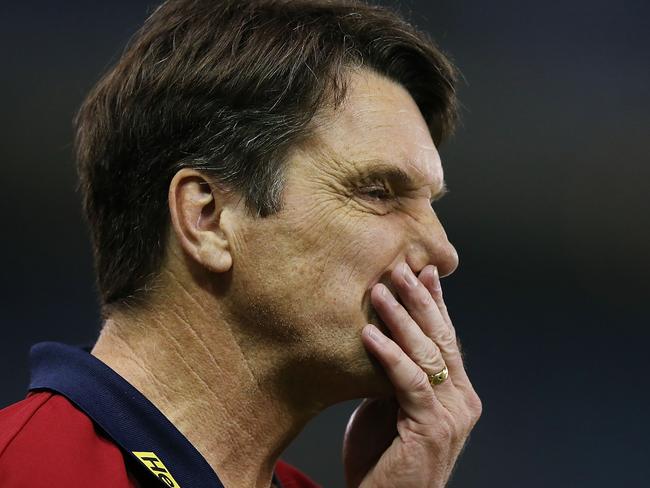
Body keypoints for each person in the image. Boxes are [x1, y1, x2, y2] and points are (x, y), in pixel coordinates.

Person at [0, 0, 482, 486]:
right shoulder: (22, 467)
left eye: (430, 206)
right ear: (206, 218)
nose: (443, 252)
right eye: (379, 192)